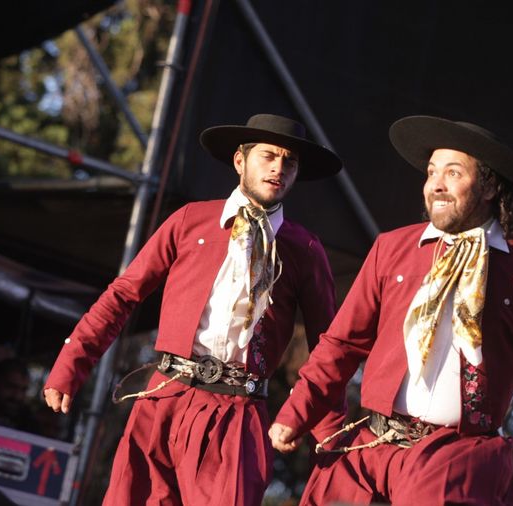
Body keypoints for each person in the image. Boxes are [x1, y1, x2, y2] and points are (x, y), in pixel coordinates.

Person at [269, 116, 513, 505]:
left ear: (489, 186)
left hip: (455, 458)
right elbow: (341, 345)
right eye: (432, 172)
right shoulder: (392, 248)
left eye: (453, 172)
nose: (437, 184)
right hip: (373, 443)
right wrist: (295, 413)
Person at [43, 114, 345, 506]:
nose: (278, 168)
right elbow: (124, 294)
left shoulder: (303, 248)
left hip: (236, 412)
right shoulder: (191, 220)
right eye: (269, 156)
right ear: (240, 161)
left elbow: (331, 347)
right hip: (163, 398)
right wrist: (72, 361)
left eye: (290, 161)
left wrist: (330, 433)